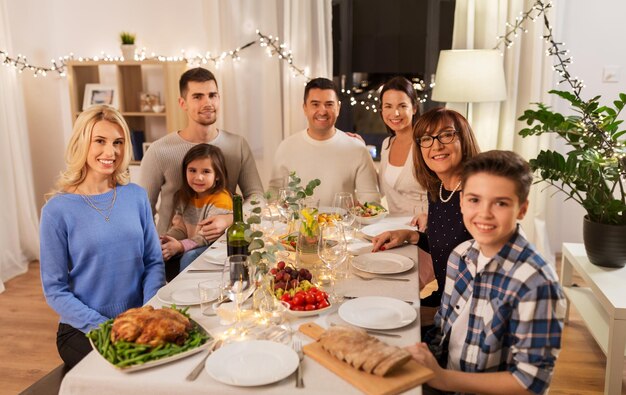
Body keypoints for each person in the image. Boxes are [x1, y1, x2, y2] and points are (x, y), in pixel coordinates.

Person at [407, 150, 566, 395]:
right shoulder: (460, 256)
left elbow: (530, 382)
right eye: (474, 200)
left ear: (522, 209)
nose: (484, 213)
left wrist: (443, 380)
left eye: (501, 203)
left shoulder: (536, 283)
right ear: (461, 201)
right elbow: (443, 329)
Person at [40, 105, 165, 368]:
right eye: (100, 141)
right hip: (84, 329)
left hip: (138, 320)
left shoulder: (136, 196)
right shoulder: (57, 211)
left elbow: (153, 261)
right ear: (82, 143)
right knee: (129, 372)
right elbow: (55, 290)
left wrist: (147, 311)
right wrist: (105, 327)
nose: (111, 152)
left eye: (118, 142)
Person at [372, 107, 480, 308]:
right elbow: (446, 246)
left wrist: (435, 316)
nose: (436, 146)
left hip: (463, 311)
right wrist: (410, 235)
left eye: (446, 135)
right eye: (427, 139)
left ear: (464, 140)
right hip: (444, 298)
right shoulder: (438, 191)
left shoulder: (478, 197)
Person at [139, 67, 263, 239]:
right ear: (183, 103)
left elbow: (258, 199)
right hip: (171, 253)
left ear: (219, 98)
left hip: (222, 249)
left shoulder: (238, 145)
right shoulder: (159, 151)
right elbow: (143, 210)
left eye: (212, 95)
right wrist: (154, 252)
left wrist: (230, 219)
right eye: (197, 97)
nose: (207, 103)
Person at [269, 77, 380, 206]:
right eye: (315, 104)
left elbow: (371, 198)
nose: (322, 111)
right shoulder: (286, 147)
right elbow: (273, 193)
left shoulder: (357, 148)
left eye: (329, 104)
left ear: (338, 108)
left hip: (342, 224)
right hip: (298, 225)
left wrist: (361, 210)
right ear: (305, 108)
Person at [378, 76, 434, 290]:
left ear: (414, 108)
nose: (396, 113)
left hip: (422, 236)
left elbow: (443, 189)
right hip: (393, 233)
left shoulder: (426, 143)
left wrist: (433, 216)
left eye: (402, 105)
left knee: (400, 291)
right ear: (382, 110)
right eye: (388, 106)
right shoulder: (386, 144)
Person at [161, 144, 233, 280]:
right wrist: (167, 239)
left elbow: (206, 236)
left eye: (206, 171)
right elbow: (181, 227)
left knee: (189, 257)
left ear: (217, 176)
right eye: (192, 170)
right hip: (192, 243)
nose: (198, 177)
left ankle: (184, 291)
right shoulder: (184, 196)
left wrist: (181, 246)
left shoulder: (221, 199)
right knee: (162, 252)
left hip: (212, 249)